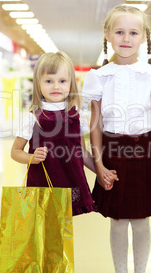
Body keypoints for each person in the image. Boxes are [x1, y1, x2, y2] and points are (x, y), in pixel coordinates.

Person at [82, 5, 151, 273]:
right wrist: (99, 164)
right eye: (119, 32)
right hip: (112, 152)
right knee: (117, 221)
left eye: (133, 32)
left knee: (140, 221)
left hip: (144, 151)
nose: (126, 38)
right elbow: (96, 124)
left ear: (143, 37)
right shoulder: (98, 77)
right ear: (108, 35)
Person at [11, 51, 98, 216]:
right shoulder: (33, 118)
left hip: (71, 183)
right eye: (49, 81)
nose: (56, 86)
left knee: (64, 233)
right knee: (45, 232)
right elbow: (15, 152)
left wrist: (101, 172)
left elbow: (82, 153)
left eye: (62, 81)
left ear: (71, 84)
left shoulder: (76, 116)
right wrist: (31, 158)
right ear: (38, 84)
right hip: (43, 184)